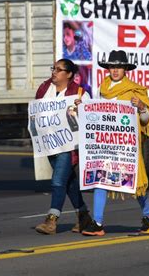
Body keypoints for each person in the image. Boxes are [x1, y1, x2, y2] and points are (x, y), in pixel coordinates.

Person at [81, 50, 149, 236]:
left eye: (119, 67)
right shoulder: (103, 88)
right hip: (106, 144)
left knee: (136, 183)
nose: (115, 70)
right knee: (101, 179)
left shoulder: (135, 90)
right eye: (112, 66)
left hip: (126, 145)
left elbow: (147, 120)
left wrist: (141, 107)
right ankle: (97, 223)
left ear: (125, 69)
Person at [34, 58, 92, 235]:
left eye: (59, 70)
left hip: (69, 146)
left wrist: (81, 110)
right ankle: (84, 217)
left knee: (58, 180)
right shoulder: (44, 89)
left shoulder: (80, 94)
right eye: (53, 68)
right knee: (69, 183)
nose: (54, 72)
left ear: (69, 75)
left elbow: (90, 120)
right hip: (50, 143)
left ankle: (52, 220)